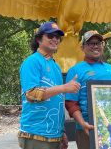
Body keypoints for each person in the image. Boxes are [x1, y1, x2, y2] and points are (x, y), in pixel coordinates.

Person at [18, 21, 81, 149]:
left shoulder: (56, 66)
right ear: (39, 39)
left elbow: (57, 101)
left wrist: (62, 131)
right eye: (50, 36)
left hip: (55, 136)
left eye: (57, 37)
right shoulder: (32, 62)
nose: (55, 39)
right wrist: (64, 87)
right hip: (35, 135)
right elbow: (31, 94)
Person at [65, 30, 111, 149]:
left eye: (98, 43)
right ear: (83, 47)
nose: (95, 46)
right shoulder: (75, 70)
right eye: (91, 43)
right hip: (88, 129)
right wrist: (82, 124)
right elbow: (71, 103)